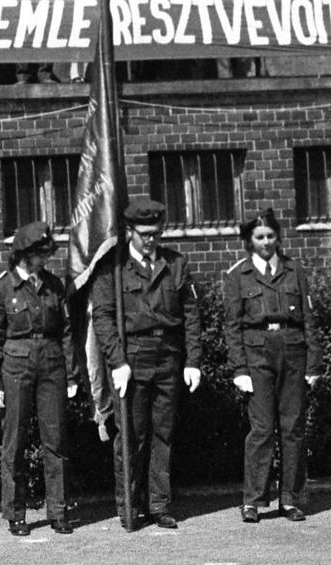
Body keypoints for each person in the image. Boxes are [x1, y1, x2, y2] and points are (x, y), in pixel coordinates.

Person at [91, 199, 205, 532]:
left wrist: (193, 361)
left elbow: (191, 316)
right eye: (144, 234)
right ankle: (129, 506)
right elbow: (103, 318)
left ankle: (159, 505)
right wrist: (118, 361)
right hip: (132, 359)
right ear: (130, 232)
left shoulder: (176, 264)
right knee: (131, 436)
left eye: (156, 233)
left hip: (167, 356)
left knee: (163, 434)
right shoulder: (113, 268)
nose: (151, 239)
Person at [225, 208, 322, 524]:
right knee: (262, 429)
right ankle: (252, 500)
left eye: (270, 236)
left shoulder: (295, 271)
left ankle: (292, 500)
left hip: (292, 353)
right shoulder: (238, 276)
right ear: (249, 241)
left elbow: (308, 319)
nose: (265, 242)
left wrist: (314, 363)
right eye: (258, 237)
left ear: (278, 238)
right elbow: (232, 327)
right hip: (257, 356)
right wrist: (239, 369)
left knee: (292, 429)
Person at [0, 221, 78, 536]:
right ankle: (15, 513)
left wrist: (72, 374)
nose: (46, 259)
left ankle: (59, 512)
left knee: (56, 440)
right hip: (17, 367)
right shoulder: (0, 289)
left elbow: (65, 333)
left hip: (51, 364)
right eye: (41, 254)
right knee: (16, 441)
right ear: (23, 255)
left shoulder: (53, 285)